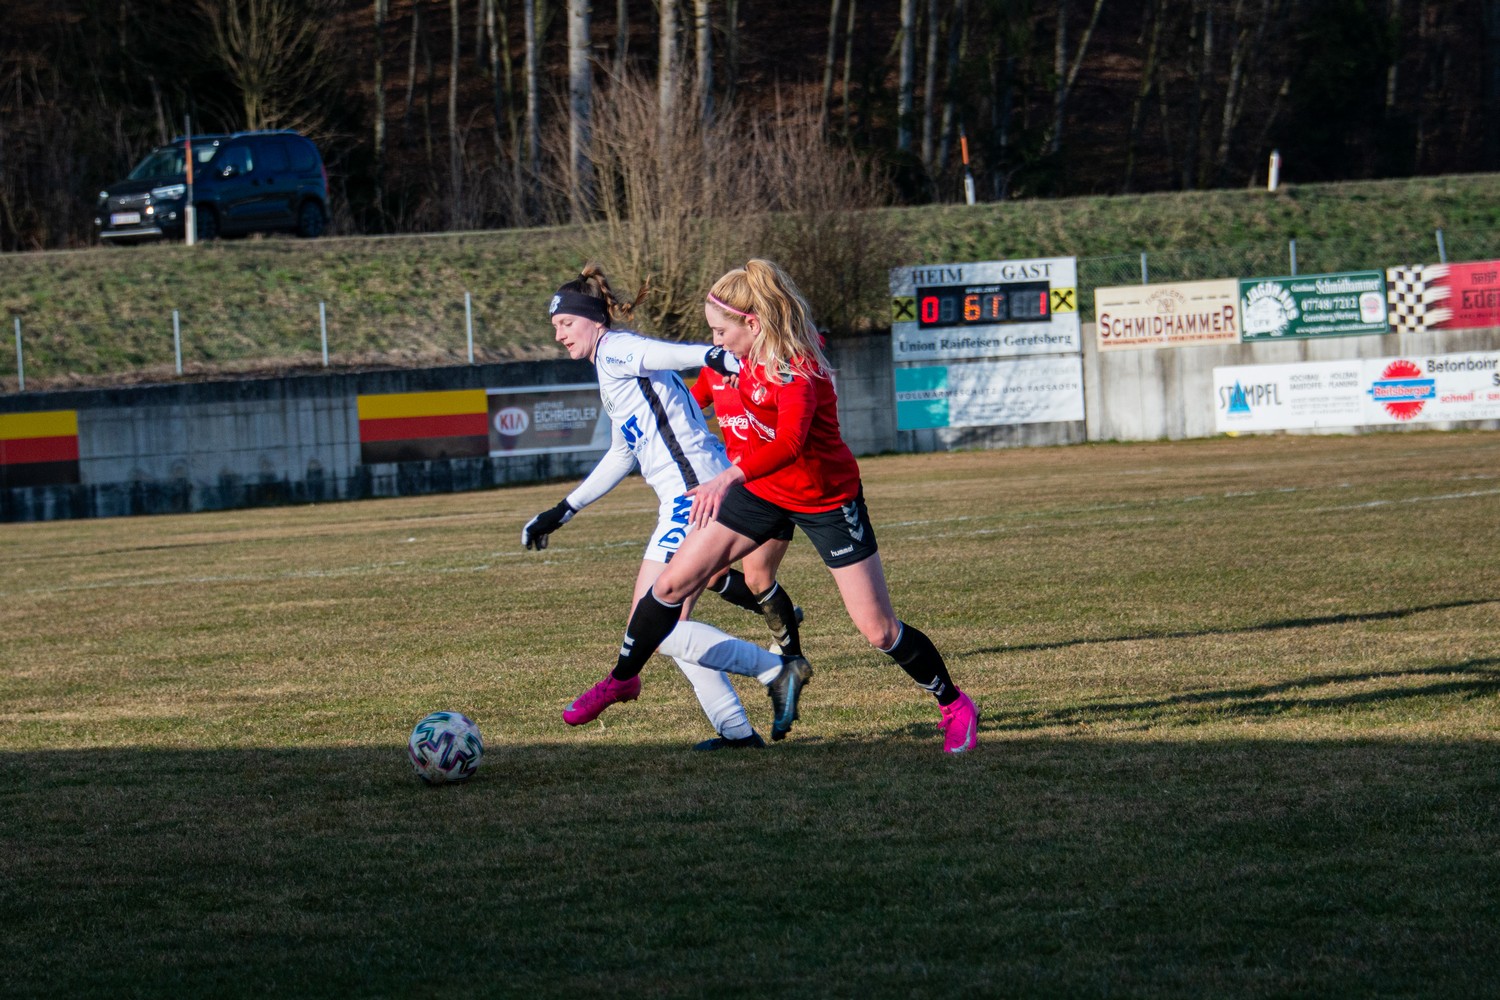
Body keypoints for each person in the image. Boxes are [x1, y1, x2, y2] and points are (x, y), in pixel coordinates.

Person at [563, 259, 980, 754]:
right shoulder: (729, 363)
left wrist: (726, 477)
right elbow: (688, 405)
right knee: (672, 583)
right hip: (761, 492)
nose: (714, 342)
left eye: (721, 332)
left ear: (753, 324)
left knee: (879, 629)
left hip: (825, 499)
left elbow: (790, 444)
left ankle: (955, 704)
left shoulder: (796, 368)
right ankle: (622, 679)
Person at [521, 264, 813, 750]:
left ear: (594, 320)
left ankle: (775, 671)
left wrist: (709, 355)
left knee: (656, 624)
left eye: (566, 323)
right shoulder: (610, 369)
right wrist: (564, 510)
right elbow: (622, 453)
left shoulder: (616, 349)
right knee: (664, 625)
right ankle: (737, 730)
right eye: (555, 326)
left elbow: (659, 352)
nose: (559, 334)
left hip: (694, 495)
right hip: (685, 495)